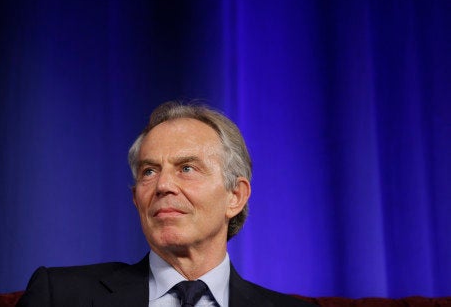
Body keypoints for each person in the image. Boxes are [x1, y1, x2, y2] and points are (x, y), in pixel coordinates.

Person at [16, 101, 316, 307]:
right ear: (136, 200)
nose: (163, 186)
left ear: (235, 196)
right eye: (149, 171)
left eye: (187, 168)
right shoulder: (60, 295)